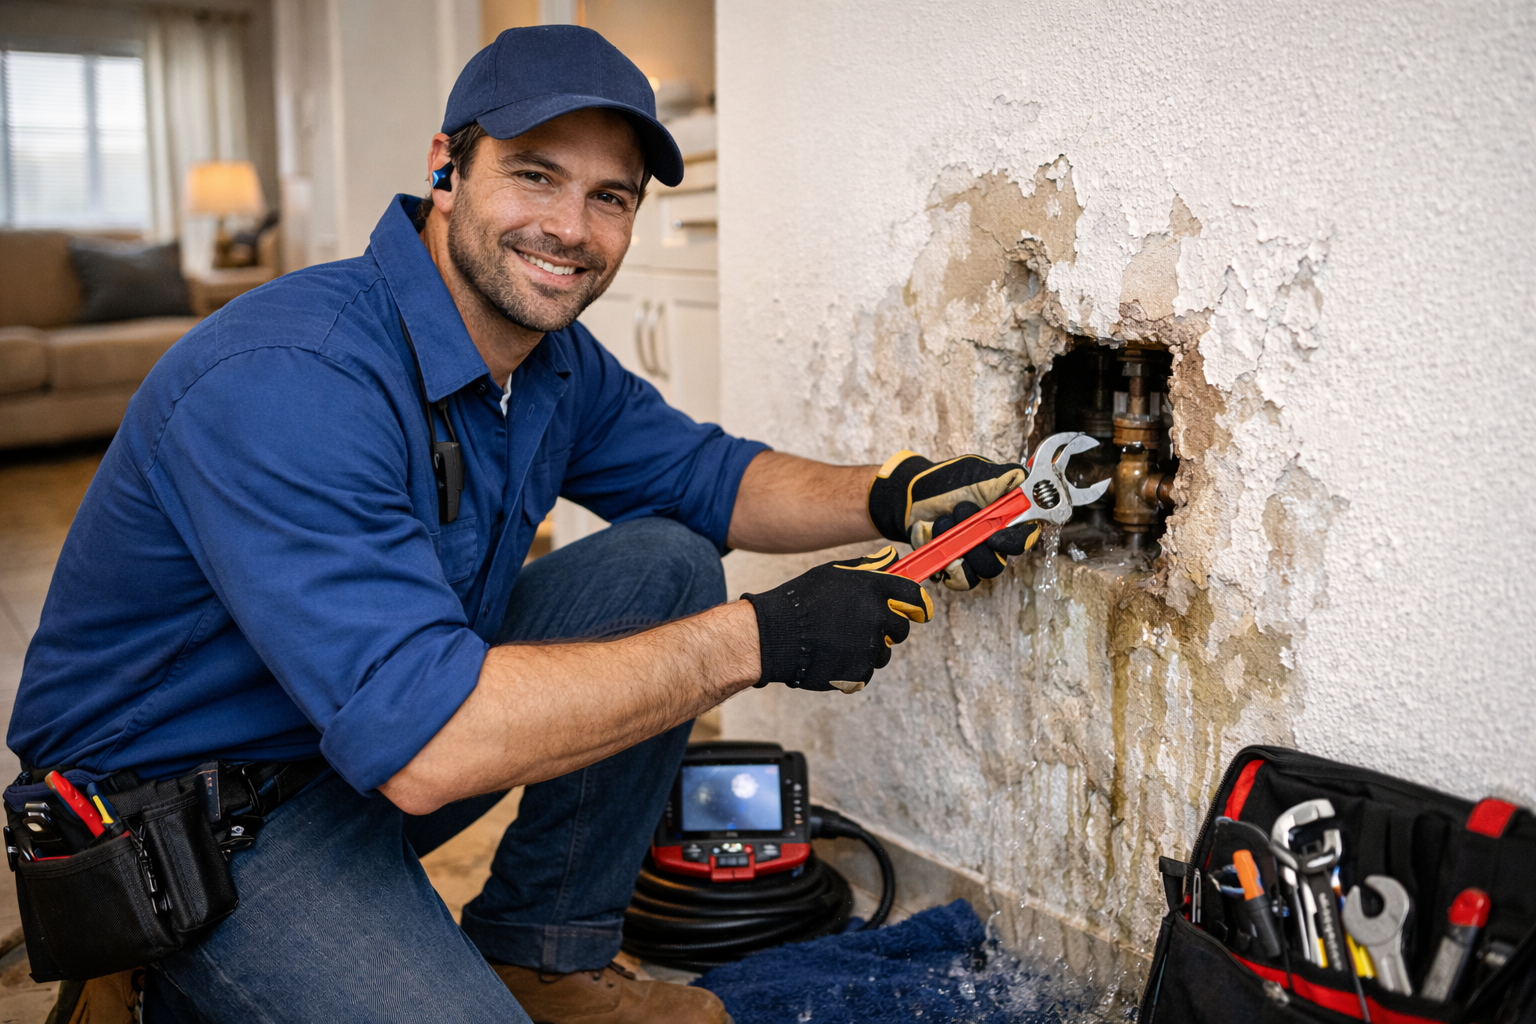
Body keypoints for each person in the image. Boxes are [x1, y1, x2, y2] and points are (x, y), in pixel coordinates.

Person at [8, 26, 1034, 1024]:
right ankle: (152, 973)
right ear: (445, 169)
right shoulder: (293, 376)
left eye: (609, 197)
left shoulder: (545, 360)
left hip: (349, 753)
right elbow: (432, 741)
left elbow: (707, 479)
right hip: (192, 825)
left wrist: (898, 492)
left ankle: (545, 957)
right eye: (535, 176)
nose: (572, 229)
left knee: (663, 564)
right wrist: (768, 637)